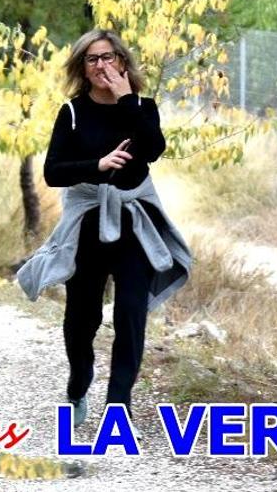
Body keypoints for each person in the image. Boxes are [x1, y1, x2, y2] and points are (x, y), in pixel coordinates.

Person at [15, 29, 192, 428]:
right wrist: (96, 166)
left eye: (108, 57)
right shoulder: (73, 112)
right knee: (82, 318)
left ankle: (119, 405)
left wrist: (128, 99)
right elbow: (53, 172)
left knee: (131, 313)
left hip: (134, 225)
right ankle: (79, 382)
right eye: (92, 59)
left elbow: (152, 150)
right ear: (82, 67)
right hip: (88, 227)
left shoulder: (142, 106)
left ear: (123, 62)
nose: (101, 66)